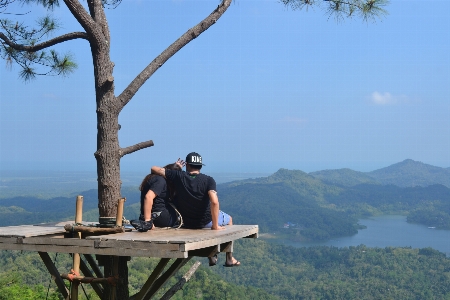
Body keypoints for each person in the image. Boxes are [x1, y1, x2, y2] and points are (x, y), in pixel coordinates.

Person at [151, 152, 240, 267]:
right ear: (201, 166)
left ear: (187, 165)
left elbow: (154, 168)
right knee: (230, 219)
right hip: (206, 222)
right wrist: (215, 226)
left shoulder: (178, 176)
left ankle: (212, 256)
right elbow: (214, 201)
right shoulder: (208, 180)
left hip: (186, 223)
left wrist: (176, 167)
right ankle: (229, 258)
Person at [130, 163, 181, 232]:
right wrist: (148, 221)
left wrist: (176, 166)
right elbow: (148, 197)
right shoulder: (161, 181)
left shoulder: (154, 177)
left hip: (148, 217)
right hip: (159, 218)